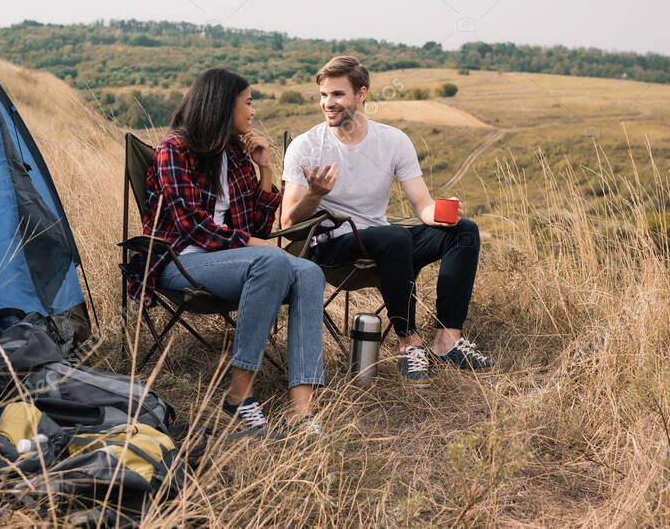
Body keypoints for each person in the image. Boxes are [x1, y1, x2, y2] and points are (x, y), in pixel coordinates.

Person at [125, 68, 325, 431]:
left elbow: (260, 228)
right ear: (221, 106)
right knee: (269, 259)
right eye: (247, 103)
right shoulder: (173, 150)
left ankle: (301, 409)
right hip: (180, 262)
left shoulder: (235, 154)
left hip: (235, 262)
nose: (252, 112)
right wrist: (257, 245)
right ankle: (238, 397)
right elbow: (193, 227)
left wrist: (264, 166)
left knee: (309, 271)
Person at [281, 55, 494, 384]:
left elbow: (421, 204)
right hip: (331, 247)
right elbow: (288, 222)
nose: (328, 103)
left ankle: (447, 340)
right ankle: (410, 342)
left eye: (337, 94)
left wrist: (440, 212)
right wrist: (315, 194)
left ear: (361, 94)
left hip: (384, 242)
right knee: (393, 237)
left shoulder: (393, 141)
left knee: (464, 232)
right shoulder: (306, 146)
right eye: (323, 95)